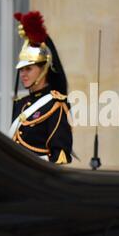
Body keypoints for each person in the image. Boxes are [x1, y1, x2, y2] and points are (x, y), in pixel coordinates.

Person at [9, 11, 72, 164]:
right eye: (22, 70)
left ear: (44, 69)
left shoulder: (55, 104)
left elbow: (59, 156)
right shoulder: (20, 104)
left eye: (29, 69)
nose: (23, 74)